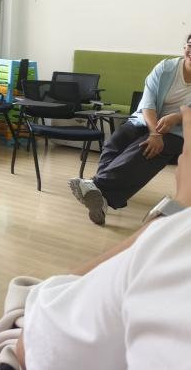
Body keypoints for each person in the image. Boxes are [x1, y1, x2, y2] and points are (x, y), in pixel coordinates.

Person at [10, 107, 191, 369]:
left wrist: (177, 210)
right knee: (121, 139)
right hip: (145, 126)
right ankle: (101, 192)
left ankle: (99, 189)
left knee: (149, 146)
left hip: (46, 335)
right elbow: (148, 104)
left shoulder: (175, 252)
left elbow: (34, 341)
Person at [68, 32, 191, 225]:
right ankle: (103, 199)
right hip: (146, 120)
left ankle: (97, 188)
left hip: (178, 132)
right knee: (117, 140)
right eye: (190, 44)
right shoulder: (166, 68)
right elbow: (148, 103)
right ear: (185, 47)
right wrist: (154, 132)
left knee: (146, 149)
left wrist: (176, 117)